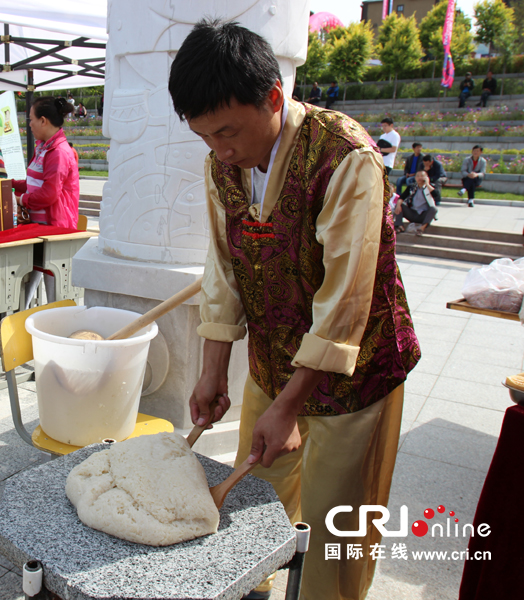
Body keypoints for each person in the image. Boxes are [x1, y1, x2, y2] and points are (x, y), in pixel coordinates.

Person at [168, 21, 420, 600]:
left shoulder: (346, 155)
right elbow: (224, 268)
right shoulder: (222, 165)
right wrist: (212, 371)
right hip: (272, 363)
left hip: (357, 378)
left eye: (228, 131)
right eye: (205, 137)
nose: (221, 150)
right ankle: (253, 588)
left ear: (274, 98)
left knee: (338, 531)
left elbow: (345, 301)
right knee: (253, 504)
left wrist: (290, 407)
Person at [13, 97, 80, 228]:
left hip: (53, 229)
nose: (30, 124)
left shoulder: (58, 152)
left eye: (31, 120)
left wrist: (19, 199)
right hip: (39, 226)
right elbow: (32, 185)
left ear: (43, 121)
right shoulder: (42, 148)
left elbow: (49, 193)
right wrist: (6, 184)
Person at [395, 170, 438, 236]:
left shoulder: (430, 187)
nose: (419, 178)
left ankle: (421, 229)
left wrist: (427, 184)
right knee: (400, 205)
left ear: (426, 177)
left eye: (422, 176)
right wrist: (398, 205)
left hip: (423, 215)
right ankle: (399, 226)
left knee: (434, 209)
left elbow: (436, 195)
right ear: (415, 178)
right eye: (418, 176)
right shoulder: (412, 187)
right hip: (412, 213)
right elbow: (402, 197)